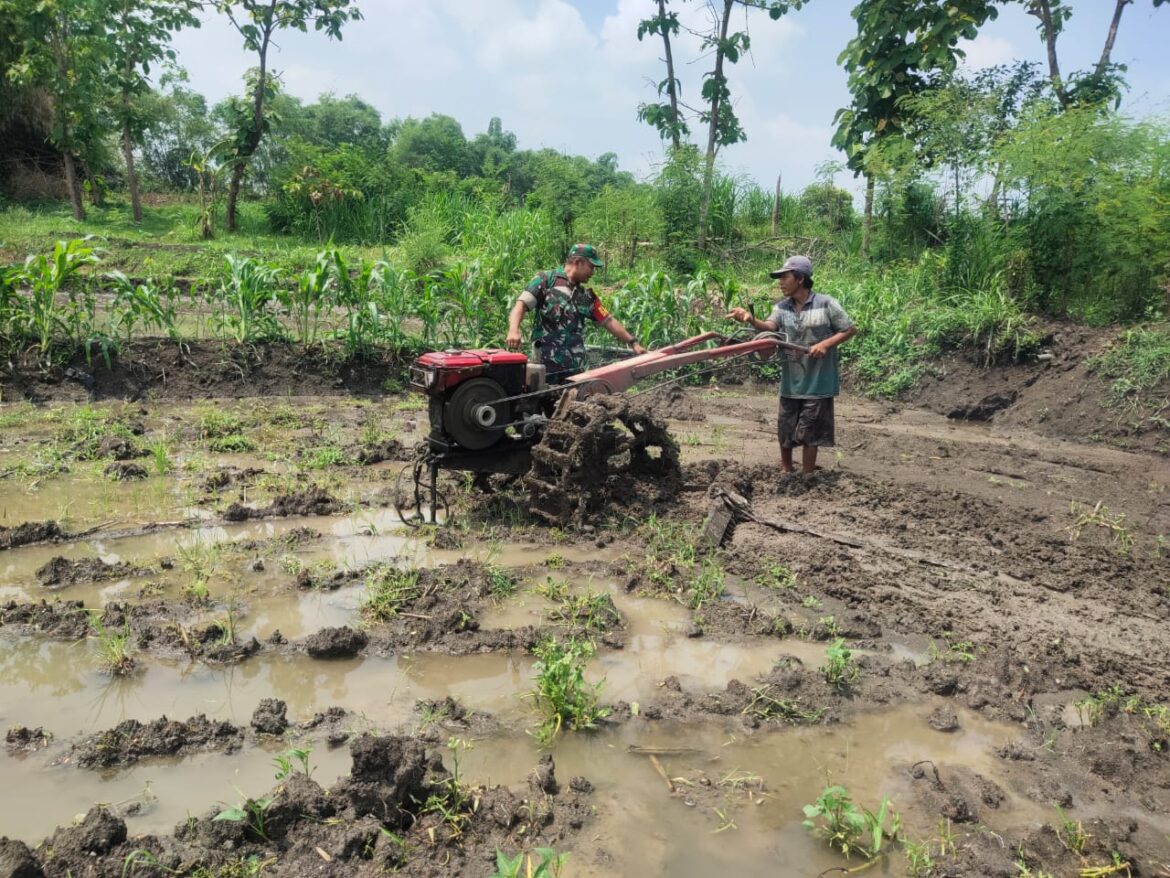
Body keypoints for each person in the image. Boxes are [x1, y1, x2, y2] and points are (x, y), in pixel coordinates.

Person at [727, 255, 856, 476]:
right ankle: (786, 469)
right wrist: (750, 319)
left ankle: (807, 475)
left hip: (818, 381)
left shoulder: (826, 304)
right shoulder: (781, 307)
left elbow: (849, 329)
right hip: (791, 381)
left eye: (784, 277)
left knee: (810, 430)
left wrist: (825, 344)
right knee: (785, 427)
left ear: (799, 279)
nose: (780, 282)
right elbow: (769, 326)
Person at [506, 243, 646, 382]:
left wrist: (633, 342)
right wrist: (513, 330)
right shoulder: (546, 281)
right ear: (578, 262)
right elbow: (521, 305)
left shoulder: (586, 297)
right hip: (545, 368)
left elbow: (608, 320)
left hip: (574, 373)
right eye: (591, 267)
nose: (592, 272)